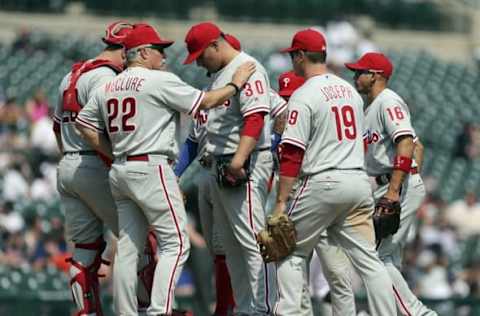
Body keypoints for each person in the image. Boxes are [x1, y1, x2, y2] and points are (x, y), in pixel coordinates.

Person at [76, 23, 256, 316]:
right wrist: (235, 84)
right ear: (143, 52)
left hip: (121, 169)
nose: (164, 55)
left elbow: (83, 124)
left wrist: (113, 152)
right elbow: (207, 101)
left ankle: (125, 312)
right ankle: (159, 310)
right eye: (159, 49)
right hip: (151, 166)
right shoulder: (158, 80)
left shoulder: (109, 85)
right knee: (177, 242)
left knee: (129, 246)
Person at [272, 28, 396, 316]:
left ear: (301, 55)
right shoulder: (350, 92)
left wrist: (280, 202)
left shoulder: (304, 94)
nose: (292, 60)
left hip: (322, 182)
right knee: (369, 262)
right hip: (356, 181)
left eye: (293, 55)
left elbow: (292, 153)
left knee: (287, 250)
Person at [52, 21, 145, 316]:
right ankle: (145, 310)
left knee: (85, 250)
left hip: (68, 164)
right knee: (141, 242)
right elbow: (106, 127)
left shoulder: (71, 74)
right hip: (94, 163)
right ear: (126, 50)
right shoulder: (107, 78)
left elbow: (57, 127)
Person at [183, 21, 275, 315]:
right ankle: (246, 307)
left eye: (200, 54)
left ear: (215, 44)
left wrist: (238, 161)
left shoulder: (248, 67)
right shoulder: (219, 76)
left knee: (252, 242)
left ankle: (264, 307)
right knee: (232, 246)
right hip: (219, 166)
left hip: (242, 164)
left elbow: (256, 117)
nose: (197, 62)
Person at [346, 52, 436, 316]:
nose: (355, 76)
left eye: (360, 71)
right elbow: (417, 144)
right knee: (387, 258)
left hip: (396, 187)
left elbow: (407, 143)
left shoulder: (388, 101)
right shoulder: (372, 106)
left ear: (375, 76)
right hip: (391, 184)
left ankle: (418, 314)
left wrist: (398, 188)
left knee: (375, 257)